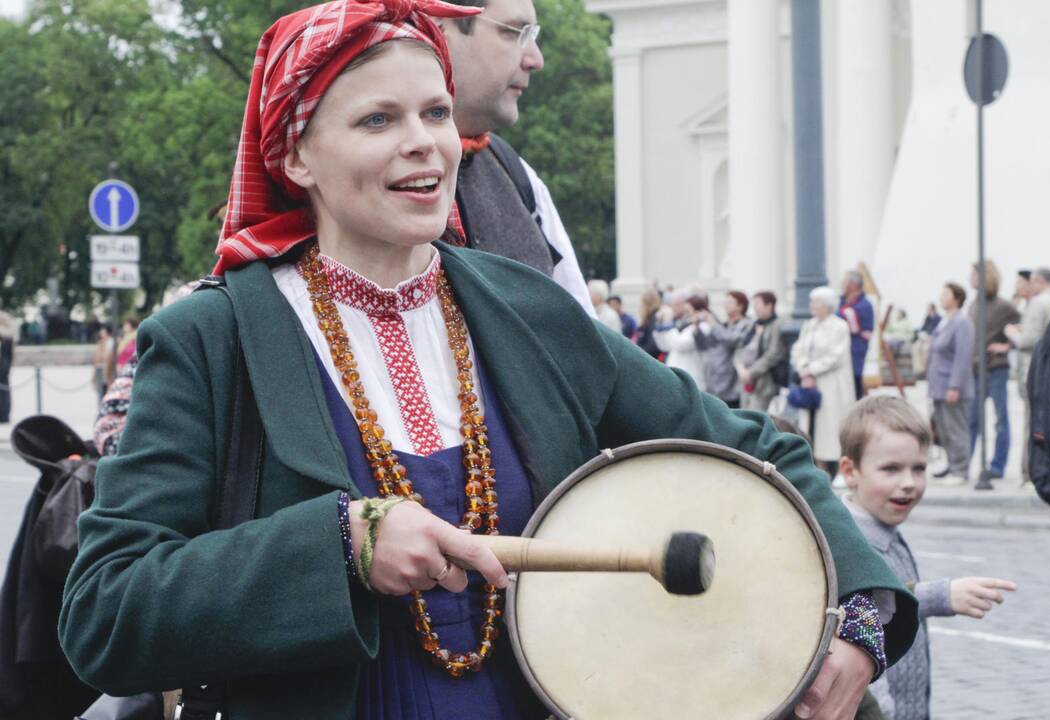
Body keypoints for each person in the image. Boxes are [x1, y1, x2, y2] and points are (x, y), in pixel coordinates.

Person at [58, 4, 918, 718]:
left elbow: (754, 448)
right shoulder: (213, 337)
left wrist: (862, 618)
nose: (423, 144)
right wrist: (341, 546)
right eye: (376, 120)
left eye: (433, 113)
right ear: (293, 156)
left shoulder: (525, 306)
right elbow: (106, 610)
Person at [838, 396, 1016, 720]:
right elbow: (864, 619)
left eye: (918, 468)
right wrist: (940, 596)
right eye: (891, 469)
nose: (908, 483)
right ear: (851, 471)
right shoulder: (851, 542)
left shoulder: (886, 530)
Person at [438, 0, 593, 315]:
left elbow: (583, 338)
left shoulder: (518, 175)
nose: (536, 59)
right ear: (440, 26)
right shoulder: (351, 172)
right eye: (515, 32)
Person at [1005, 266, 1050, 485]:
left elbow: (1028, 341)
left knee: (1031, 425)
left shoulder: (1039, 303)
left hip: (1034, 372)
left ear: (1038, 281)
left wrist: (1011, 333)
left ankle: (1030, 473)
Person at [967, 260, 1020, 487]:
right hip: (976, 370)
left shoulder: (1004, 306)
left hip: (996, 368)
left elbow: (1024, 331)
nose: (970, 278)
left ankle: (998, 466)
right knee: (972, 419)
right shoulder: (973, 305)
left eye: (973, 274)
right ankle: (964, 463)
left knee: (1001, 420)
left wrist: (1006, 346)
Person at [791, 286, 856, 473]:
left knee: (831, 429)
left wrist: (811, 370)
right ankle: (818, 468)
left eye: (816, 302)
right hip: (810, 384)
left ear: (827, 305)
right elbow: (799, 349)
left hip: (832, 385)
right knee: (811, 428)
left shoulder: (839, 326)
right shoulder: (809, 325)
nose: (811, 305)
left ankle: (841, 469)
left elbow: (836, 356)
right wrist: (803, 369)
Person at [925, 283, 974, 484]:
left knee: (956, 428)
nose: (941, 297)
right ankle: (952, 465)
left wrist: (955, 386)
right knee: (944, 429)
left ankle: (961, 470)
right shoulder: (945, 321)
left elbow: (962, 357)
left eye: (946, 294)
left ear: (956, 298)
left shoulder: (962, 323)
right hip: (938, 386)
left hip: (951, 386)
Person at [694, 290, 754, 407]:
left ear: (741, 306)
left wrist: (713, 324)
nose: (725, 305)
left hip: (731, 383)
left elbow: (732, 340)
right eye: (725, 302)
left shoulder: (746, 324)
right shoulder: (723, 325)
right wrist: (696, 328)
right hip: (714, 380)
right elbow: (704, 345)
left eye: (730, 302)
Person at [736, 290, 787, 412]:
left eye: (758, 304)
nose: (755, 308)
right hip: (745, 382)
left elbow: (774, 353)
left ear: (769, 305)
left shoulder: (777, 325)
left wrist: (751, 372)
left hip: (764, 383)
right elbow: (740, 347)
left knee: (757, 417)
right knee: (744, 416)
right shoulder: (753, 324)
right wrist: (740, 368)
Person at [653, 286, 709, 391]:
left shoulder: (703, 327)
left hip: (692, 380)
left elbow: (680, 344)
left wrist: (668, 324)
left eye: (688, 311)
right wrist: (660, 326)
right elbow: (664, 346)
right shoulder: (681, 325)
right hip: (677, 379)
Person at [839, 270, 875, 399]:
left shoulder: (864, 305)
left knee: (854, 390)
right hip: (841, 356)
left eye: (844, 282)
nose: (841, 285)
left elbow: (847, 322)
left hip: (855, 355)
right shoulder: (843, 302)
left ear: (853, 285)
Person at [634, 286, 663, 360]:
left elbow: (652, 344)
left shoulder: (655, 318)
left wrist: (638, 355)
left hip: (649, 361)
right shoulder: (649, 318)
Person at [91, 326, 116, 400]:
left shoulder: (112, 341)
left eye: (102, 331)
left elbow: (109, 356)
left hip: (108, 371)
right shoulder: (101, 342)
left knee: (108, 392)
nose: (101, 332)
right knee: (101, 393)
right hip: (100, 370)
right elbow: (97, 358)